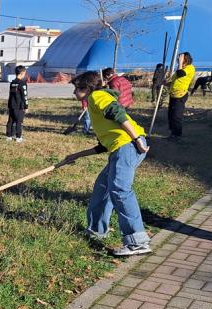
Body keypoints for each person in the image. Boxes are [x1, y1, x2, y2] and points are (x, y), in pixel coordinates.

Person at [61, 71, 151, 257]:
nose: (74, 93)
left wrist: (137, 139)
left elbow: (117, 113)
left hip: (128, 145)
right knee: (103, 186)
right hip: (122, 146)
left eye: (76, 88)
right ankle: (97, 229)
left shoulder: (97, 96)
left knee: (119, 188)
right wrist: (76, 155)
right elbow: (104, 145)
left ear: (86, 88)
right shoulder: (95, 103)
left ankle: (137, 241)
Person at [166, 52, 195, 140]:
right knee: (171, 115)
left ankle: (177, 135)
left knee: (176, 115)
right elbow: (176, 80)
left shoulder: (190, 68)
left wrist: (180, 63)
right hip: (173, 94)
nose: (178, 60)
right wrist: (167, 83)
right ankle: (172, 134)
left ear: (185, 59)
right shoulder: (181, 68)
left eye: (180, 59)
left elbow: (180, 74)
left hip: (180, 95)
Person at [6, 65, 28, 142]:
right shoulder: (22, 83)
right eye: (25, 73)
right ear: (22, 73)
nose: (25, 75)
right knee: (19, 121)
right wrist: (26, 106)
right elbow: (24, 95)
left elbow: (10, 94)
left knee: (11, 121)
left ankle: (9, 136)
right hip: (19, 106)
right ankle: (18, 137)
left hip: (12, 105)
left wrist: (9, 104)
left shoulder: (12, 83)